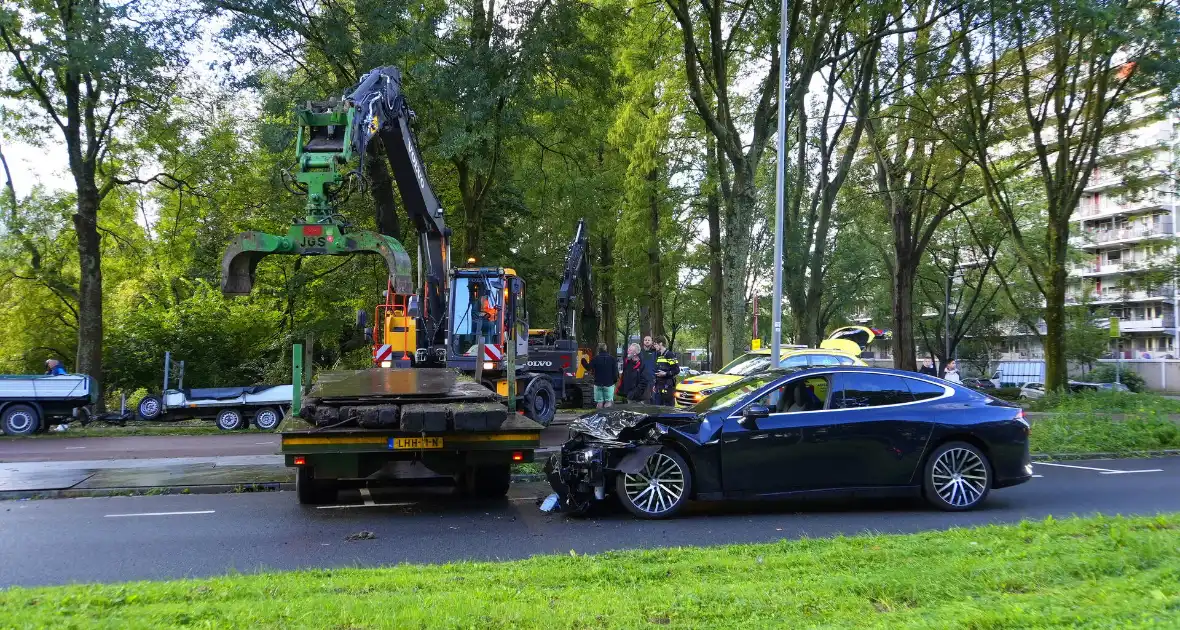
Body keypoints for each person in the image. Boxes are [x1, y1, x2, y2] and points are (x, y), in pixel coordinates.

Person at [581, 343, 620, 409]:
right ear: (606, 349)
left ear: (598, 350)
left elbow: (588, 368)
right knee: (608, 402)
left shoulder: (595, 359)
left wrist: (583, 360)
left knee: (599, 402)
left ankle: (599, 416)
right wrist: (614, 381)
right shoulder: (612, 359)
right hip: (609, 384)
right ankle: (606, 415)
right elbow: (615, 372)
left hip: (598, 383)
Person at [652, 336, 680, 406]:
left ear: (660, 343)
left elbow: (676, 370)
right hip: (659, 387)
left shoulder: (669, 354)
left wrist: (665, 374)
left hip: (668, 387)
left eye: (655, 344)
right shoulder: (658, 355)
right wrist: (655, 384)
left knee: (668, 409)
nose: (654, 346)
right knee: (657, 409)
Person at [639, 335, 657, 402]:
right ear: (643, 341)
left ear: (651, 342)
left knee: (653, 399)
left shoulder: (655, 352)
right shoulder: (640, 352)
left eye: (648, 340)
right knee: (643, 400)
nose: (647, 341)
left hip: (652, 379)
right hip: (642, 379)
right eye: (645, 340)